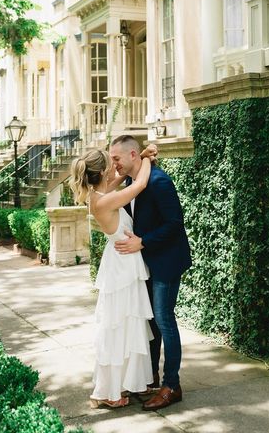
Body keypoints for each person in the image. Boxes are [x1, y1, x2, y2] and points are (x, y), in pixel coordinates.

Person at [69, 145, 157, 408]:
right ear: (103, 171)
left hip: (121, 264)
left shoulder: (99, 194)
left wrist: (139, 158)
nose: (114, 167)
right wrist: (147, 157)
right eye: (111, 163)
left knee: (124, 326)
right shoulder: (105, 200)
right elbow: (139, 184)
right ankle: (110, 393)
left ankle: (116, 388)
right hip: (122, 267)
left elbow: (120, 179)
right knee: (119, 327)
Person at [110, 135, 192, 411]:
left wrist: (142, 242)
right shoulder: (135, 182)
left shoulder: (159, 181)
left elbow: (174, 223)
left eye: (117, 158)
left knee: (164, 320)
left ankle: (172, 386)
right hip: (146, 263)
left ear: (133, 155)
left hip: (167, 261)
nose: (114, 164)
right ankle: (151, 379)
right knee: (152, 323)